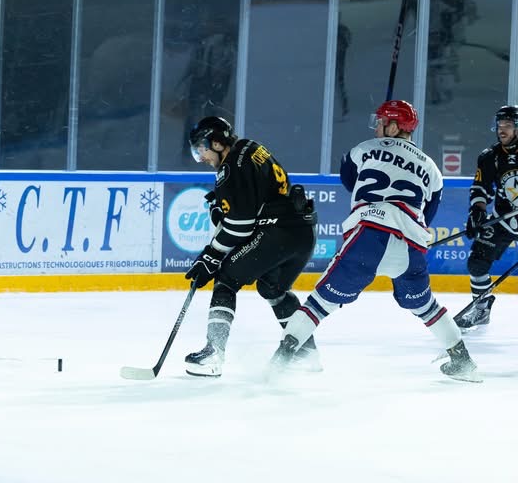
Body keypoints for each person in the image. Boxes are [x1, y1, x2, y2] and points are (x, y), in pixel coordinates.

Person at [268, 100, 480, 382]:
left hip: (368, 235)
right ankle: (463, 361)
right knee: (426, 306)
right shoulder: (432, 169)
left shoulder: (363, 149)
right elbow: (426, 215)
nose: (377, 127)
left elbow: (349, 180)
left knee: (319, 304)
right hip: (410, 247)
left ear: (394, 126)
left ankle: (280, 361)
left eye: (382, 122)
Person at [183, 115, 318, 377]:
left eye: (202, 149)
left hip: (278, 232)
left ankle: (213, 354)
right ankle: (305, 352)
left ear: (218, 142)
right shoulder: (250, 147)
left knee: (226, 279)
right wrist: (222, 206)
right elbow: (253, 202)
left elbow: (240, 225)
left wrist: (210, 257)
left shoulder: (231, 167)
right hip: (303, 231)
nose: (202, 157)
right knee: (273, 288)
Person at [456, 104, 518, 330]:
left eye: (508, 126)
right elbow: (481, 188)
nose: (502, 130)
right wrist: (478, 211)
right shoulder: (490, 157)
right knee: (477, 263)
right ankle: (481, 308)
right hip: (504, 220)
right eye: (500, 125)